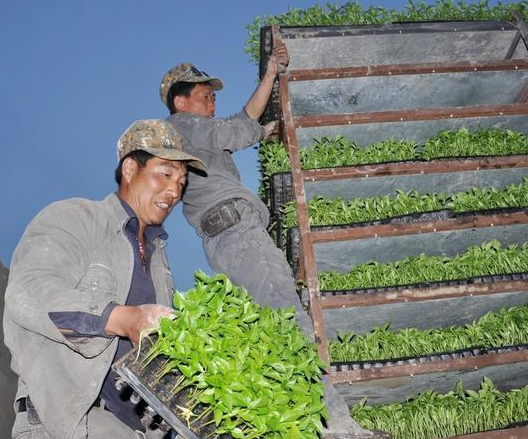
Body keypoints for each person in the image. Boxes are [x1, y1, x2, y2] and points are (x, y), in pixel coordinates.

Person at [160, 48, 390, 439]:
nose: (212, 103)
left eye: (213, 96)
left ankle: (305, 424)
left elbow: (236, 131)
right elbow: (237, 127)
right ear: (181, 101)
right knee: (289, 315)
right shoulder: (182, 125)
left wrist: (259, 130)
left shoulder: (195, 141)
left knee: (272, 328)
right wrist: (270, 76)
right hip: (238, 234)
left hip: (225, 238)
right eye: (205, 96)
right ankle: (339, 427)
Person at [3, 119, 206, 439]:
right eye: (165, 174)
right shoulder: (78, 218)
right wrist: (122, 318)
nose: (174, 191)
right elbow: (27, 293)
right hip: (69, 426)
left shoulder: (159, 267)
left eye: (181, 182)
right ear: (129, 170)